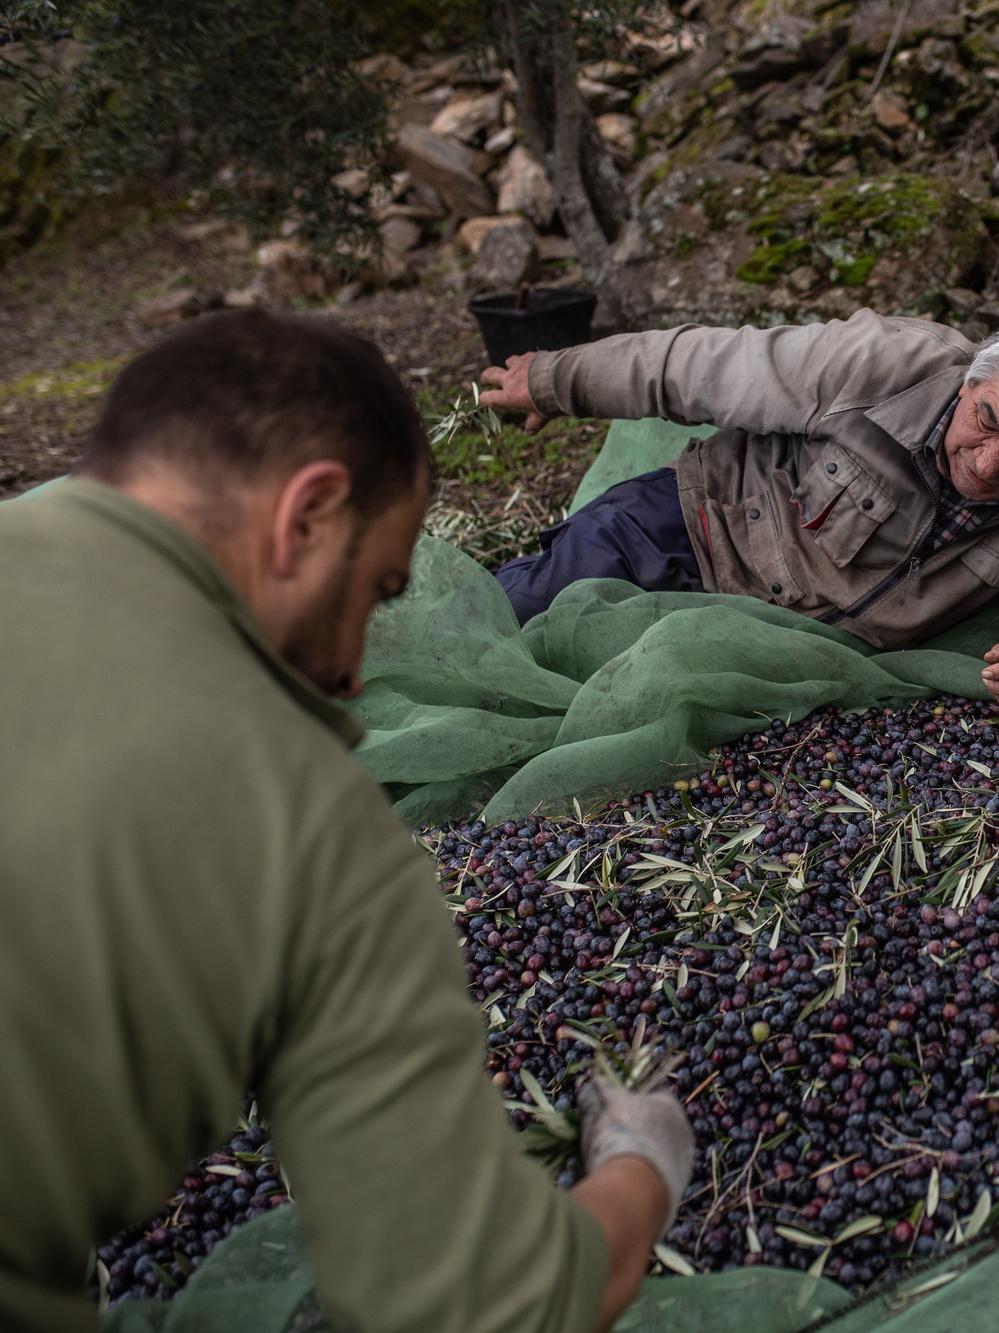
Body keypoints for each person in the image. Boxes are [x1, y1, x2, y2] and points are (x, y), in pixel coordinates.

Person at [0, 311, 694, 1332]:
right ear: (310, 514)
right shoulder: (301, 820)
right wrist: (641, 1169)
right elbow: (490, 1306)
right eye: (375, 591)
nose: (356, 674)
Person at [477, 304, 999, 713]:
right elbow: (694, 366)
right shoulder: (879, 363)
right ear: (972, 381)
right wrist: (551, 381)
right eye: (988, 420)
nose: (990, 463)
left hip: (796, 656)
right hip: (692, 531)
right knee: (518, 620)